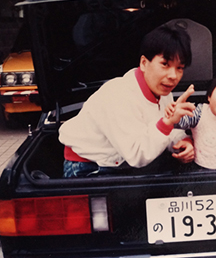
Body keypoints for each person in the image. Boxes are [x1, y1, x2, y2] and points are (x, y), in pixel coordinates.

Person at [59, 23, 196, 178]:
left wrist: (182, 141)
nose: (173, 76)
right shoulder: (118, 96)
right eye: (165, 64)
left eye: (180, 68)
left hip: (124, 161)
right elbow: (137, 154)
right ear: (144, 63)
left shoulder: (162, 91)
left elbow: (157, 127)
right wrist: (168, 123)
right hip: (89, 166)